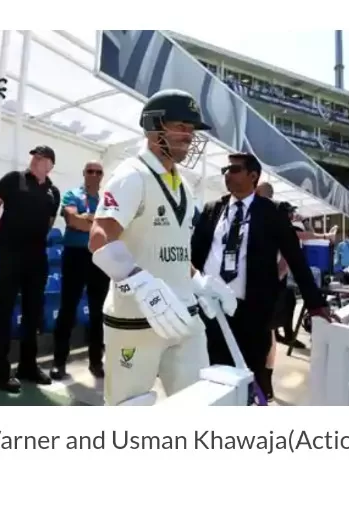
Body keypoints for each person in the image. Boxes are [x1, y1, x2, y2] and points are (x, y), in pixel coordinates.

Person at [89, 89, 236, 406]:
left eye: (191, 129)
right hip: (135, 319)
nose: (189, 136)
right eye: (181, 126)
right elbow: (99, 237)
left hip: (185, 316)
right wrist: (140, 282)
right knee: (130, 409)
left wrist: (199, 281)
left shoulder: (183, 184)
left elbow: (172, 249)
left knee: (198, 405)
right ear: (155, 127)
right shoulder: (132, 175)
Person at [191, 152, 334, 396]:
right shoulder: (213, 209)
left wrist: (315, 304)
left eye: (234, 169)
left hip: (252, 313)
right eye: (225, 170)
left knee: (250, 374)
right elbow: (194, 255)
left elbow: (295, 258)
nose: (227, 174)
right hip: (212, 310)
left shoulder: (272, 212)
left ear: (253, 176)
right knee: (214, 377)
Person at [0, 146, 61, 393]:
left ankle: (28, 366)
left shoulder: (53, 192)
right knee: (3, 311)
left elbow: (49, 223)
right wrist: (5, 236)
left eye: (41, 157)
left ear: (50, 165)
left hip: (37, 258)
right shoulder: (13, 179)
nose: (35, 159)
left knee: (33, 312)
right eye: (34, 156)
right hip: (11, 256)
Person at [50, 161, 109, 380]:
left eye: (98, 172)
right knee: (67, 309)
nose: (94, 175)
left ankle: (96, 362)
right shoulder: (71, 194)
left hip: (99, 258)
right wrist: (97, 223)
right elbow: (74, 221)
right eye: (90, 171)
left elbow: (111, 228)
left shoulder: (106, 200)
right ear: (84, 173)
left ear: (102, 176)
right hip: (75, 256)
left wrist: (87, 219)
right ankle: (59, 362)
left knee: (98, 312)